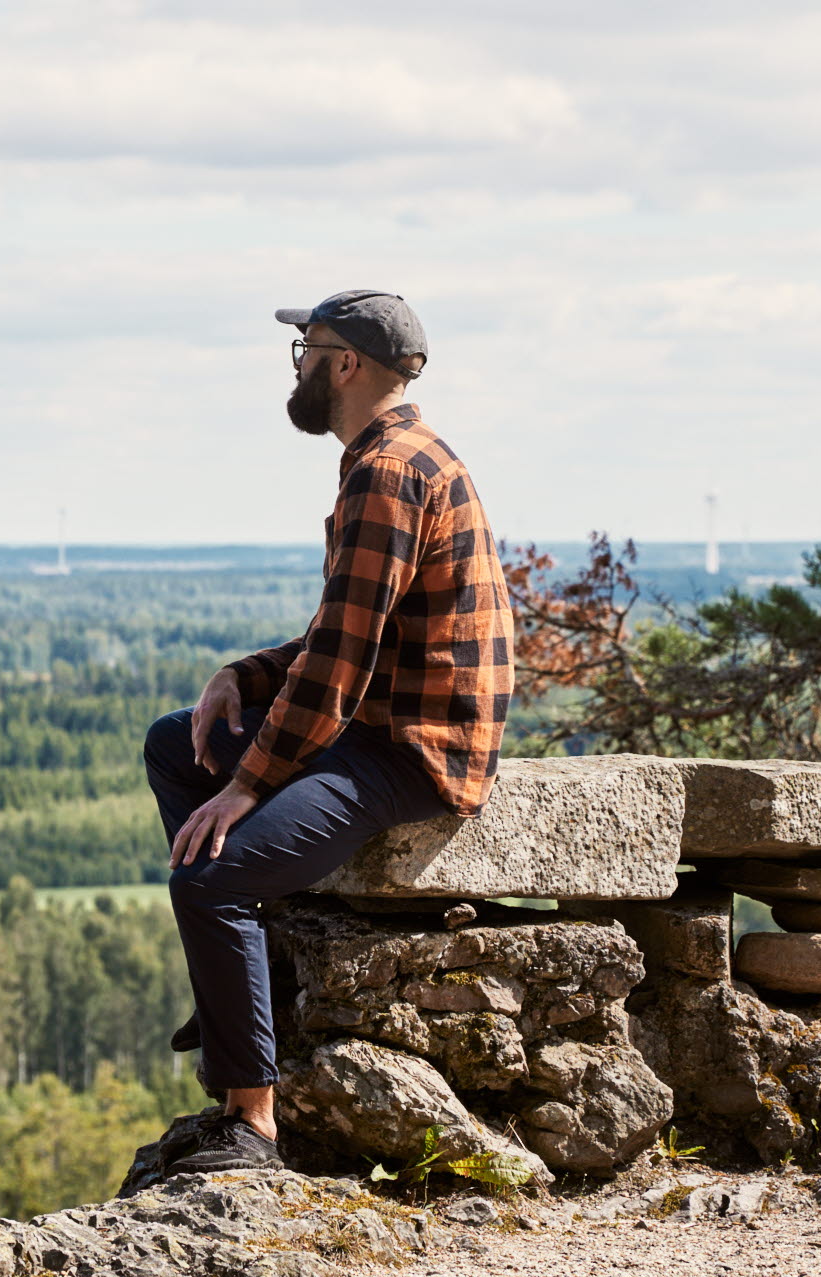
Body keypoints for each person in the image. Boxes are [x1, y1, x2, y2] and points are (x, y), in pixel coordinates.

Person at [143, 289, 514, 1174]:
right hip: (386, 722)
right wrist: (246, 676)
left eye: (305, 348)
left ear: (344, 364)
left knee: (210, 878)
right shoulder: (399, 457)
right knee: (175, 740)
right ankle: (243, 986)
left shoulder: (388, 473)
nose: (298, 365)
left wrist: (249, 783)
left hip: (414, 748)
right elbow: (346, 631)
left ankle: (253, 1120)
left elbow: (345, 660)